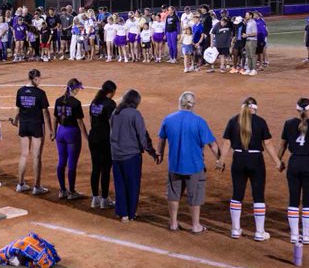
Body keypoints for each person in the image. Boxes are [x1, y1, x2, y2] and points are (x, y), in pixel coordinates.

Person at [158, 91, 220, 233]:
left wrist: (160, 154)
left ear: (180, 103)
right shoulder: (199, 121)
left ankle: (173, 223)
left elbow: (161, 139)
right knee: (195, 195)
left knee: (173, 194)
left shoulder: (168, 119)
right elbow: (212, 144)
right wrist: (219, 159)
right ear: (193, 105)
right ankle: (195, 225)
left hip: (174, 165)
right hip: (194, 166)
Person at [220, 97, 281, 240]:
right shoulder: (260, 122)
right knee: (258, 195)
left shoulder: (233, 120)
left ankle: (235, 230)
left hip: (238, 159)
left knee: (237, 194)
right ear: (255, 108)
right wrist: (277, 161)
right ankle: (259, 232)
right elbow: (268, 143)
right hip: (256, 160)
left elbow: (227, 143)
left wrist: (221, 160)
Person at [276, 97, 309, 244]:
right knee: (308, 200)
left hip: (294, 163)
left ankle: (294, 235)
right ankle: (306, 235)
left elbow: (282, 146)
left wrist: (278, 161)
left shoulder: (288, 124)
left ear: (297, 109)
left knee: (293, 199)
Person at [109, 89, 158, 222]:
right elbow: (142, 136)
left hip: (116, 155)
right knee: (132, 185)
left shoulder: (115, 112)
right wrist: (151, 152)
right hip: (131, 156)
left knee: (120, 184)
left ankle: (122, 213)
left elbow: (112, 133)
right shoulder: (135, 114)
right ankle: (130, 213)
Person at [11, 69, 53, 195]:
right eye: (39, 79)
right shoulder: (40, 93)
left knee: (24, 155)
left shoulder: (20, 91)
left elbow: (17, 110)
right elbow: (45, 113)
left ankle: (20, 184)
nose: (40, 81)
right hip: (36, 126)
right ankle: (37, 186)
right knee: (36, 156)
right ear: (35, 79)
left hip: (24, 125)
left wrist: (15, 121)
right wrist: (50, 129)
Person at [52, 79, 88, 199]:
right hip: (72, 133)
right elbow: (80, 122)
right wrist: (86, 137)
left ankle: (62, 190)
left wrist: (53, 132)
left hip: (60, 132)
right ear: (75, 89)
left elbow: (56, 118)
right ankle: (72, 192)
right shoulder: (76, 103)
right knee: (72, 162)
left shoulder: (58, 100)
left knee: (61, 161)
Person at [88, 80, 118, 208]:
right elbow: (113, 123)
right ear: (111, 92)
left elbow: (91, 121)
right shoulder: (110, 104)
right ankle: (104, 199)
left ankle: (95, 199)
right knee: (105, 169)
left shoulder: (94, 102)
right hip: (105, 139)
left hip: (93, 137)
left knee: (95, 168)